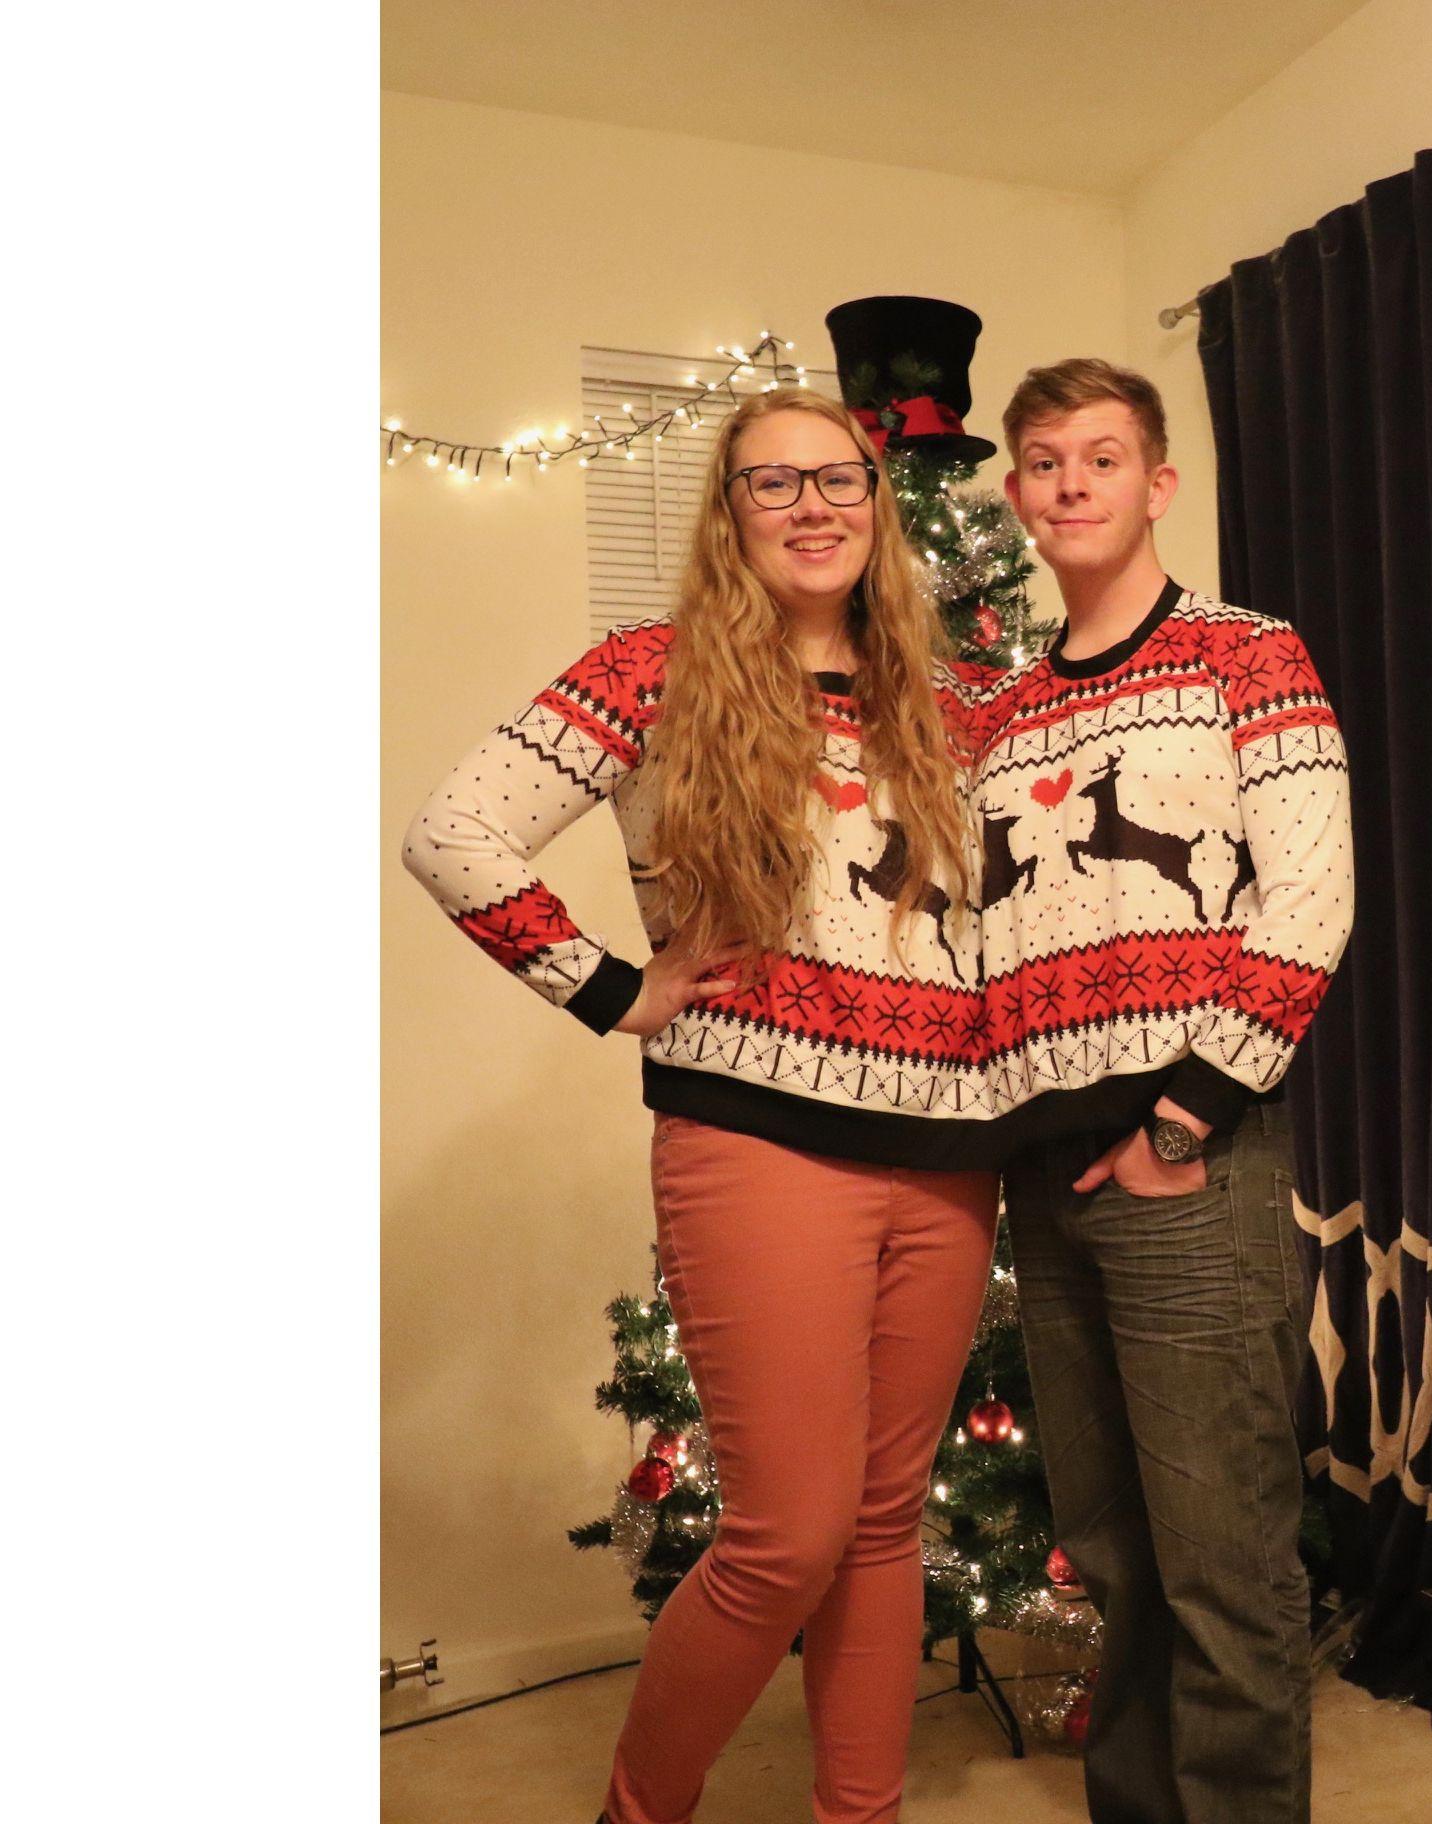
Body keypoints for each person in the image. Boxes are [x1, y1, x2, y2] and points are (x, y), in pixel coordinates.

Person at [401, 388, 1001, 1824]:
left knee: (882, 1527)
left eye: (837, 477)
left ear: (876, 499)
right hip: (760, 1139)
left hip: (950, 1155)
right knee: (787, 1536)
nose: (811, 505)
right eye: (770, 482)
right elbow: (453, 834)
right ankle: (639, 1810)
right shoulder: (653, 671)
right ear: (730, 514)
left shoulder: (951, 701)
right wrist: (615, 988)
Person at [971, 358, 1355, 1824]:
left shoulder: (1247, 655)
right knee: (1115, 1556)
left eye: (1103, 456)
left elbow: (1310, 900)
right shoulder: (1000, 713)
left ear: (1159, 484)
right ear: (1018, 496)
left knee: (1222, 1561)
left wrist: (1182, 1119)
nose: (1072, 483)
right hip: (1041, 1176)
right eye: (1046, 461)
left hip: (1189, 1162)